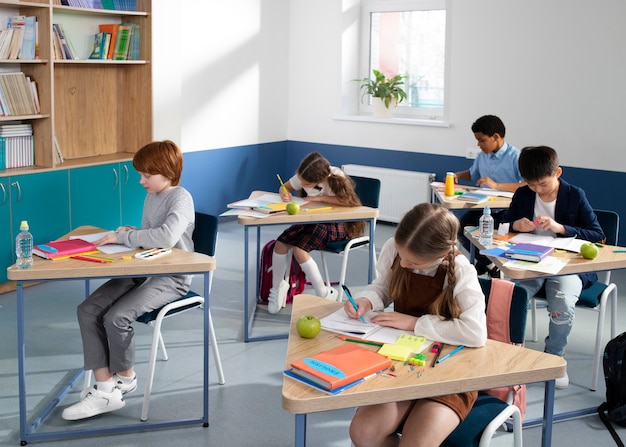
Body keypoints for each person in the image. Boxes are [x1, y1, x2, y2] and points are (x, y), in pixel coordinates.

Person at [62, 140, 195, 420]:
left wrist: (123, 237)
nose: (141, 181)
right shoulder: (153, 195)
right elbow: (152, 234)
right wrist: (132, 231)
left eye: (147, 175)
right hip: (144, 267)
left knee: (116, 317)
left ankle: (126, 377)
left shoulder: (180, 197)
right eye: (141, 174)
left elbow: (167, 238)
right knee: (87, 309)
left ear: (167, 172)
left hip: (171, 277)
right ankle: (106, 388)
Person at [344, 203, 487, 447]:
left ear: (440, 255)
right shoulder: (395, 249)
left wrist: (415, 323)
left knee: (415, 444)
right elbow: (384, 286)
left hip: (448, 370)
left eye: (413, 262)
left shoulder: (461, 269)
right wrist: (367, 300)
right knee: (363, 433)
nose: (405, 264)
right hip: (402, 362)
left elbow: (475, 333)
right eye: (403, 257)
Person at [502, 146, 605, 389]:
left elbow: (597, 235)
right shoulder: (523, 194)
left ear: (557, 172)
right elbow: (503, 223)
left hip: (566, 266)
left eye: (542, 184)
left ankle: (554, 358)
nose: (536, 189)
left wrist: (561, 228)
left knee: (562, 303)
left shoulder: (575, 195)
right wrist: (515, 223)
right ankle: (511, 351)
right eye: (531, 184)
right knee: (513, 298)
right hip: (529, 262)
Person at [267, 152, 365, 314]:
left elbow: (349, 201)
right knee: (281, 244)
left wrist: (320, 198)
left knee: (299, 249)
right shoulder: (303, 175)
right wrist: (284, 192)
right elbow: (285, 186)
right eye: (302, 182)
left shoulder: (336, 177)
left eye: (307, 184)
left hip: (339, 223)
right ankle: (277, 288)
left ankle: (324, 293)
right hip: (313, 220)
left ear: (320, 179)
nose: (303, 184)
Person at [453, 114, 525, 277]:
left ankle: (488, 263)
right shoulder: (482, 156)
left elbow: (527, 184)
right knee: (460, 229)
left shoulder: (516, 156)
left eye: (482, 140)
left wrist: (497, 185)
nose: (478, 144)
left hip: (506, 211)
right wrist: (457, 175)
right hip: (484, 207)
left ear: (496, 137)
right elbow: (473, 174)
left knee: (490, 237)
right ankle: (490, 263)